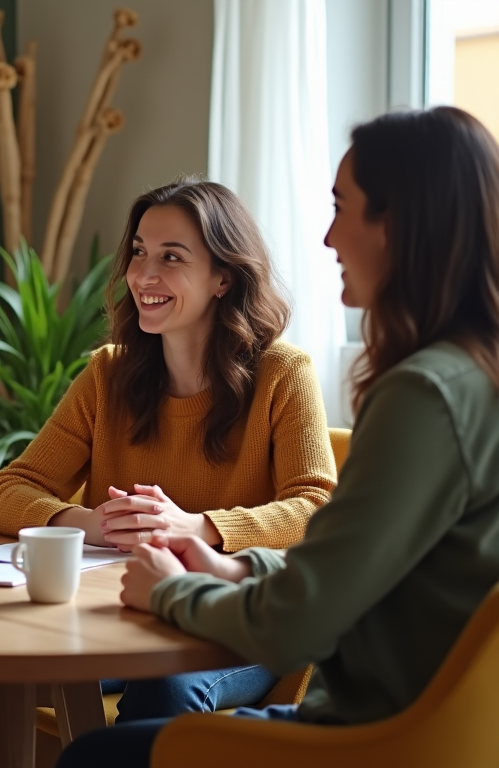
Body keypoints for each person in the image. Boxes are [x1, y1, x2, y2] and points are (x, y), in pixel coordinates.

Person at [58, 106, 499, 767]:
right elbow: (353, 571)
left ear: (400, 223)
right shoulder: (473, 377)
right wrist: (236, 566)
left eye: (341, 207)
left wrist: (172, 588)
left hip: (376, 738)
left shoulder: (424, 395)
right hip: (445, 728)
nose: (327, 237)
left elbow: (300, 624)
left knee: (94, 757)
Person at [0, 178, 337, 717]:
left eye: (172, 257)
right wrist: (93, 523)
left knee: (166, 686)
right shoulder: (107, 374)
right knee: (4, 663)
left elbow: (319, 508)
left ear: (223, 277)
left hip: (235, 620)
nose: (144, 275)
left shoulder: (283, 374)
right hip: (124, 610)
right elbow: (3, 493)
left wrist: (199, 528)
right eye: (140, 252)